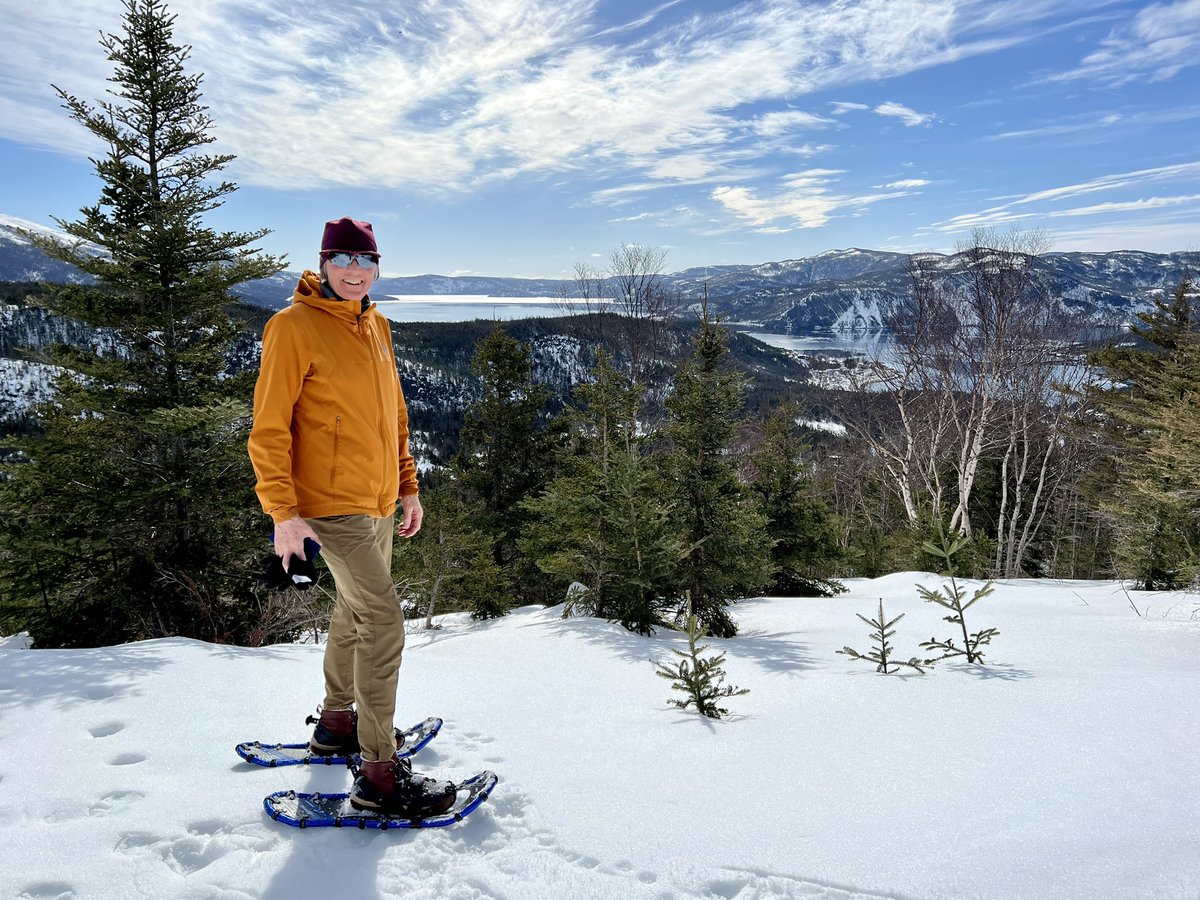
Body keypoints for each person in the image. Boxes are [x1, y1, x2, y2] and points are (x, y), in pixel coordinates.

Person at [247, 216, 455, 816]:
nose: (356, 272)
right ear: (323, 263)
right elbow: (268, 428)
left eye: (366, 262)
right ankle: (379, 776)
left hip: (378, 502)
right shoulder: (293, 326)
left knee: (353, 611)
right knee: (384, 619)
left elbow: (394, 415)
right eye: (343, 260)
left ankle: (337, 724)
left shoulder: (377, 325)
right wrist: (284, 514)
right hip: (325, 507)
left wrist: (408, 487)